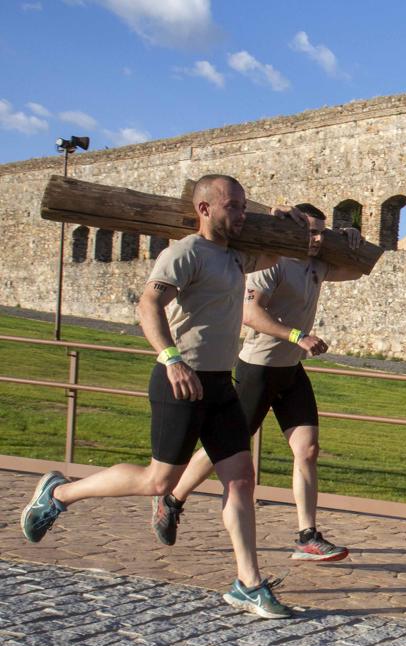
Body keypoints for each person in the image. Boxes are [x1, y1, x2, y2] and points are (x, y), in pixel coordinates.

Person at [21, 174, 308, 619]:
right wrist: (172, 359)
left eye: (244, 206)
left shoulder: (234, 257)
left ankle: (248, 584)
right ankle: (60, 494)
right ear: (204, 209)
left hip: (219, 384)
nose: (240, 213)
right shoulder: (185, 253)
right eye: (232, 205)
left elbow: (281, 253)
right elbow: (148, 305)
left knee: (241, 481)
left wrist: (287, 224)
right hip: (181, 379)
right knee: (158, 482)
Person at [150, 203, 364, 563]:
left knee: (307, 450)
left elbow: (356, 272)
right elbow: (250, 313)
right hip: (258, 368)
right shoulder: (272, 264)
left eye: (320, 234)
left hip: (290, 370)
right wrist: (297, 335)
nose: (315, 240)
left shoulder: (317, 265)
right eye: (309, 232)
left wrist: (351, 241)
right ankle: (172, 499)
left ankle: (306, 536)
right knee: (225, 449)